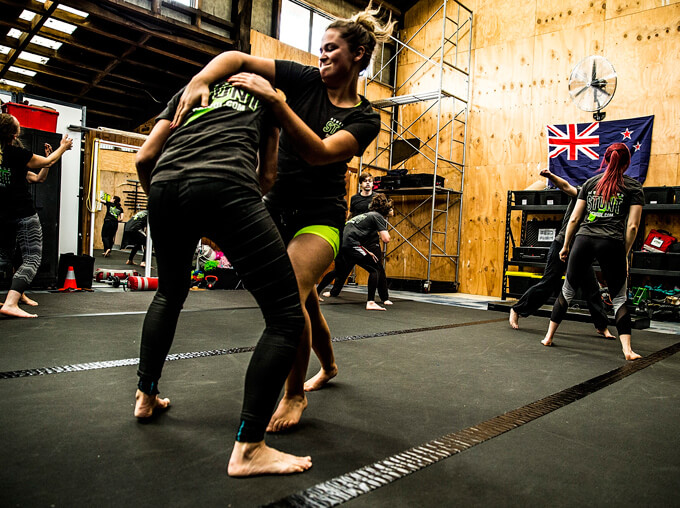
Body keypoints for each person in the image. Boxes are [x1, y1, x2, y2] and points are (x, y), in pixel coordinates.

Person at [171, 2, 395, 429]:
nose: (322, 55)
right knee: (306, 302)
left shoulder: (365, 117)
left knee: (290, 295)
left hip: (321, 216)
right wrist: (201, 79)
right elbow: (236, 58)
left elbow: (321, 152)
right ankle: (328, 366)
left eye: (332, 49)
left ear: (358, 56)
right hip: (278, 208)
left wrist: (276, 103)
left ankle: (293, 395)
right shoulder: (304, 78)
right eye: (321, 48)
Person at [134, 75, 310, 476]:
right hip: (225, 183)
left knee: (169, 294)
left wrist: (167, 205)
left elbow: (145, 157)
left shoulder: (190, 89)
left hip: (164, 185)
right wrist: (223, 217)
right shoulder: (268, 97)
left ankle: (146, 395)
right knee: (285, 317)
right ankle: (249, 447)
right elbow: (266, 177)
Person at [542, 143, 643, 361]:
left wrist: (566, 245)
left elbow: (575, 219)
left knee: (567, 291)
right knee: (619, 298)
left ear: (606, 160)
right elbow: (633, 227)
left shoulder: (590, 183)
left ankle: (548, 336)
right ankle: (627, 350)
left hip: (584, 240)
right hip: (611, 242)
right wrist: (623, 254)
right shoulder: (633, 187)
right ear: (627, 162)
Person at [509, 168, 614, 339]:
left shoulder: (604, 205)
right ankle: (517, 309)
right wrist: (550, 176)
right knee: (549, 282)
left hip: (582, 250)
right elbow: (565, 186)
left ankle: (602, 326)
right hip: (561, 244)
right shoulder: (582, 193)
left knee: (592, 288)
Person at [0, 113, 73, 318]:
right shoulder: (17, 154)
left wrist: (48, 161)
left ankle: (18, 295)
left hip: (4, 217)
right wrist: (63, 147)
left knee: (5, 258)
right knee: (32, 259)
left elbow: (39, 177)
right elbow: (48, 161)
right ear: (14, 134)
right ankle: (11, 303)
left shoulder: (11, 158)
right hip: (22, 213)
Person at [322, 171, 392, 304]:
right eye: (365, 181)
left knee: (377, 267)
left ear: (372, 184)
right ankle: (334, 291)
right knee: (344, 266)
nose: (368, 183)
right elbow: (352, 214)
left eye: (370, 181)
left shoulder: (378, 198)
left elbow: (388, 211)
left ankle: (385, 297)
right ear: (361, 184)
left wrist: (387, 211)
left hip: (370, 238)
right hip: (355, 236)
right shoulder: (355, 199)